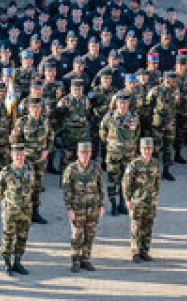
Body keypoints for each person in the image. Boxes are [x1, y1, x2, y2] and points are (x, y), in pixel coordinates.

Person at [62, 141, 105, 273]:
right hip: (77, 208)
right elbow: (67, 191)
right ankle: (75, 260)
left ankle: (85, 259)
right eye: (82, 153)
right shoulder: (71, 169)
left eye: (87, 153)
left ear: (91, 153)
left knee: (89, 234)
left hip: (93, 207)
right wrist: (69, 209)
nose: (85, 156)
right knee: (77, 235)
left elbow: (100, 188)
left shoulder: (96, 168)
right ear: (77, 153)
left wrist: (101, 205)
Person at [0, 143, 33, 276]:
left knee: (22, 236)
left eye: (22, 155)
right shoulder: (6, 172)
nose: (19, 158)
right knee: (8, 236)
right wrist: (7, 202)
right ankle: (6, 263)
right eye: (17, 155)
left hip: (26, 210)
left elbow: (32, 186)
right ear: (12, 156)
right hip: (10, 211)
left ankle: (17, 261)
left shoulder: (29, 169)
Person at [100, 93, 140, 216]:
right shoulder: (109, 117)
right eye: (120, 103)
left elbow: (137, 133)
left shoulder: (134, 117)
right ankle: (113, 205)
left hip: (129, 154)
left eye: (125, 103)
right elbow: (102, 133)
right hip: (114, 154)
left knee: (127, 179)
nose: (123, 105)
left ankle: (122, 203)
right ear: (116, 103)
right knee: (113, 180)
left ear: (128, 104)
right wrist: (112, 144)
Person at [122, 137, 161, 262]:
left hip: (151, 200)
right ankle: (135, 252)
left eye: (149, 149)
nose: (147, 151)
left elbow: (157, 182)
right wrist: (128, 200)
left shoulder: (155, 164)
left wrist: (155, 197)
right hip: (137, 201)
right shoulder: (134, 164)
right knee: (136, 227)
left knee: (148, 226)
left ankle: (144, 251)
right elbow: (126, 183)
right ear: (140, 149)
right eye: (145, 149)